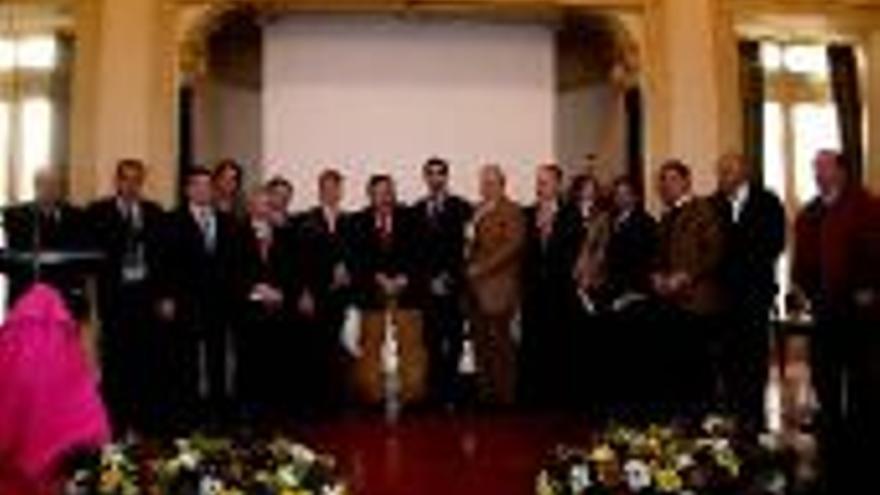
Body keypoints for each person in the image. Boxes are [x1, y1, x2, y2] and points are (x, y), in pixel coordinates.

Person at [792, 150, 880, 491]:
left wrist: (871, 287)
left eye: (825, 167)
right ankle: (832, 430)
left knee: (860, 375)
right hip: (824, 307)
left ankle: (861, 439)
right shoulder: (810, 213)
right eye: (815, 168)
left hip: (859, 307)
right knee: (824, 371)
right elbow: (801, 260)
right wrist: (800, 287)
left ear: (842, 171)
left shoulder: (867, 205)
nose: (819, 173)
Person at [86, 159, 165, 434]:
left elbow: (163, 258)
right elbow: (92, 256)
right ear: (117, 181)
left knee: (144, 360)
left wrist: (163, 297)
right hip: (114, 298)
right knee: (115, 360)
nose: (131, 185)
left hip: (145, 298)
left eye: (136, 180)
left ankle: (141, 418)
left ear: (142, 182)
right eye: (126, 179)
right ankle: (114, 421)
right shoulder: (98, 211)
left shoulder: (154, 211)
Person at [156, 166, 240, 429]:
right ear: (188, 190)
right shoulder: (171, 220)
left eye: (208, 185)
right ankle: (187, 414)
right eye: (199, 185)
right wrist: (165, 296)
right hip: (185, 300)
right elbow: (162, 262)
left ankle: (217, 414)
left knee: (217, 358)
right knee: (186, 360)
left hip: (219, 302)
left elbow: (232, 264)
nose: (205, 190)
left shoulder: (226, 221)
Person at [710, 152, 786, 433]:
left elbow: (774, 244)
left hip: (755, 292)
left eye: (727, 171)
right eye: (720, 172)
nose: (722, 177)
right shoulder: (713, 203)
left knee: (753, 356)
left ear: (743, 172)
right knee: (728, 356)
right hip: (722, 295)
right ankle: (731, 412)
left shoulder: (768, 202)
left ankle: (754, 413)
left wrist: (737, 255)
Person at [652, 159, 725, 416]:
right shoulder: (665, 215)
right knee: (676, 363)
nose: (666, 185)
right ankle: (680, 418)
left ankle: (704, 422)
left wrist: (687, 276)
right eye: (663, 180)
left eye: (672, 179)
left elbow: (714, 251)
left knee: (700, 365)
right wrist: (657, 276)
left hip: (697, 301)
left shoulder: (702, 210)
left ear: (686, 181)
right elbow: (659, 256)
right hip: (669, 301)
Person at [350, 175, 427, 406]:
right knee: (371, 347)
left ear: (393, 193)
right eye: (378, 192)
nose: (384, 196)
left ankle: (412, 396)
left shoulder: (412, 218)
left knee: (411, 347)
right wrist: (378, 277)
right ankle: (372, 396)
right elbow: (355, 257)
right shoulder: (358, 220)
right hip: (371, 292)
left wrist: (405, 277)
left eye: (387, 191)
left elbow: (421, 253)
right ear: (370, 194)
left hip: (408, 292)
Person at [235, 189, 309, 421]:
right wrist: (255, 288)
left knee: (278, 362)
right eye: (259, 203)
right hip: (249, 309)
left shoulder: (284, 234)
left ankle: (276, 410)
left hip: (279, 309)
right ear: (250, 207)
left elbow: (295, 269)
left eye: (268, 204)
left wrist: (282, 292)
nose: (265, 208)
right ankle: (249, 411)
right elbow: (229, 269)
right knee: (249, 363)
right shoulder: (235, 233)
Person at [519, 163, 583, 408]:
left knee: (559, 346)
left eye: (544, 182)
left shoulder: (571, 213)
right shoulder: (527, 213)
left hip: (560, 291)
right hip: (533, 291)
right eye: (538, 181)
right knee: (534, 345)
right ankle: (536, 399)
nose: (540, 186)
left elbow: (574, 251)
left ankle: (560, 398)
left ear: (557, 185)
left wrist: (549, 228)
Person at [412, 157, 473, 407]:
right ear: (425, 178)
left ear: (446, 177)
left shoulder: (463, 207)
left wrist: (450, 276)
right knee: (431, 341)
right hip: (427, 288)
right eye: (431, 174)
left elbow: (469, 247)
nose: (436, 178)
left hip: (454, 285)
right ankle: (435, 393)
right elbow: (413, 251)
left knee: (455, 340)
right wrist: (428, 279)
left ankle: (452, 391)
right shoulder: (415, 210)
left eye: (440, 174)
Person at [466, 165, 525, 407]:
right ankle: (486, 394)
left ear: (502, 184)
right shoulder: (477, 210)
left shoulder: (512, 210)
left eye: (491, 182)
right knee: (481, 343)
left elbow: (513, 245)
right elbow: (470, 242)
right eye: (483, 182)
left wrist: (482, 268)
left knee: (502, 344)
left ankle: (505, 397)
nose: (486, 187)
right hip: (474, 288)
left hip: (500, 286)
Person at [297, 169, 355, 413]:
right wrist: (305, 292)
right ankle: (315, 401)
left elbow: (357, 254)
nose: (331, 192)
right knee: (315, 349)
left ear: (340, 191)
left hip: (340, 295)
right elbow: (300, 260)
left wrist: (348, 271)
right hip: (316, 294)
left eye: (335, 187)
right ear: (320, 190)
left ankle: (335, 401)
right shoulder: (307, 221)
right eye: (326, 187)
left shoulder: (350, 220)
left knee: (337, 347)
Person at [1, 169, 89, 317]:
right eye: (45, 184)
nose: (50, 190)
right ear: (35, 186)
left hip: (66, 297)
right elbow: (9, 256)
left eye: (55, 185)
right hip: (28, 296)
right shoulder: (15, 215)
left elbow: (83, 255)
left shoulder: (76, 215)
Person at [604, 176, 657, 418]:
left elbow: (648, 263)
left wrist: (634, 293)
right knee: (617, 356)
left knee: (635, 357)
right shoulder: (613, 222)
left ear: (635, 196)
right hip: (613, 296)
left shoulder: (646, 223)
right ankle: (619, 406)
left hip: (636, 297)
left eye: (626, 193)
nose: (621, 197)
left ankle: (635, 410)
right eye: (617, 193)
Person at [568, 173, 612, 413]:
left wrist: (588, 275)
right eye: (584, 187)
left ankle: (593, 395)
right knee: (573, 340)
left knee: (593, 337)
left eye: (593, 188)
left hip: (593, 284)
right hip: (569, 284)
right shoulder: (568, 213)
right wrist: (573, 274)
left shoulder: (603, 217)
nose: (589, 192)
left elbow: (603, 249)